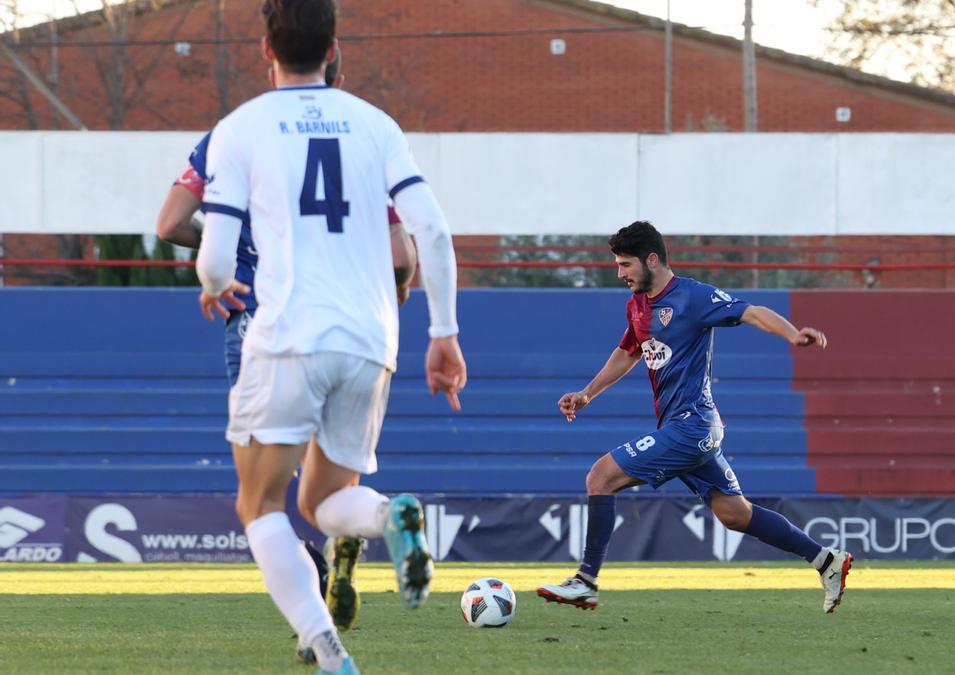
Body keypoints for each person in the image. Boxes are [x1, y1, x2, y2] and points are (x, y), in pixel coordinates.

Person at [195, 1, 466, 672]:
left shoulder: (241, 128)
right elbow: (430, 231)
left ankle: (329, 648)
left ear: (266, 48)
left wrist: (211, 282)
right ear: (334, 47)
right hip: (372, 340)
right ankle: (391, 513)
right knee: (323, 502)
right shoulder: (377, 126)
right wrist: (444, 333)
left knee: (260, 504)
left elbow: (215, 258)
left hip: (287, 334)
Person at [156, 48, 418, 652]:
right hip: (355, 329)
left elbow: (170, 222)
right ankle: (348, 543)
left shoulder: (235, 136)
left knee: (262, 495)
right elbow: (403, 254)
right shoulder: (363, 139)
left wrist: (229, 262)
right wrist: (397, 290)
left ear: (270, 61)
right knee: (330, 491)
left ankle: (313, 621)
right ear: (338, 72)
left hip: (264, 321)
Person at [536, 221, 852, 614]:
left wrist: (791, 334)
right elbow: (628, 352)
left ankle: (585, 582)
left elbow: (751, 312)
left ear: (652, 259)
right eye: (617, 265)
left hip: (692, 426)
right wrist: (587, 393)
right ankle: (827, 561)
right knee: (734, 514)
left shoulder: (693, 296)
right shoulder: (637, 304)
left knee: (600, 477)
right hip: (682, 429)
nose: (620, 274)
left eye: (625, 264)